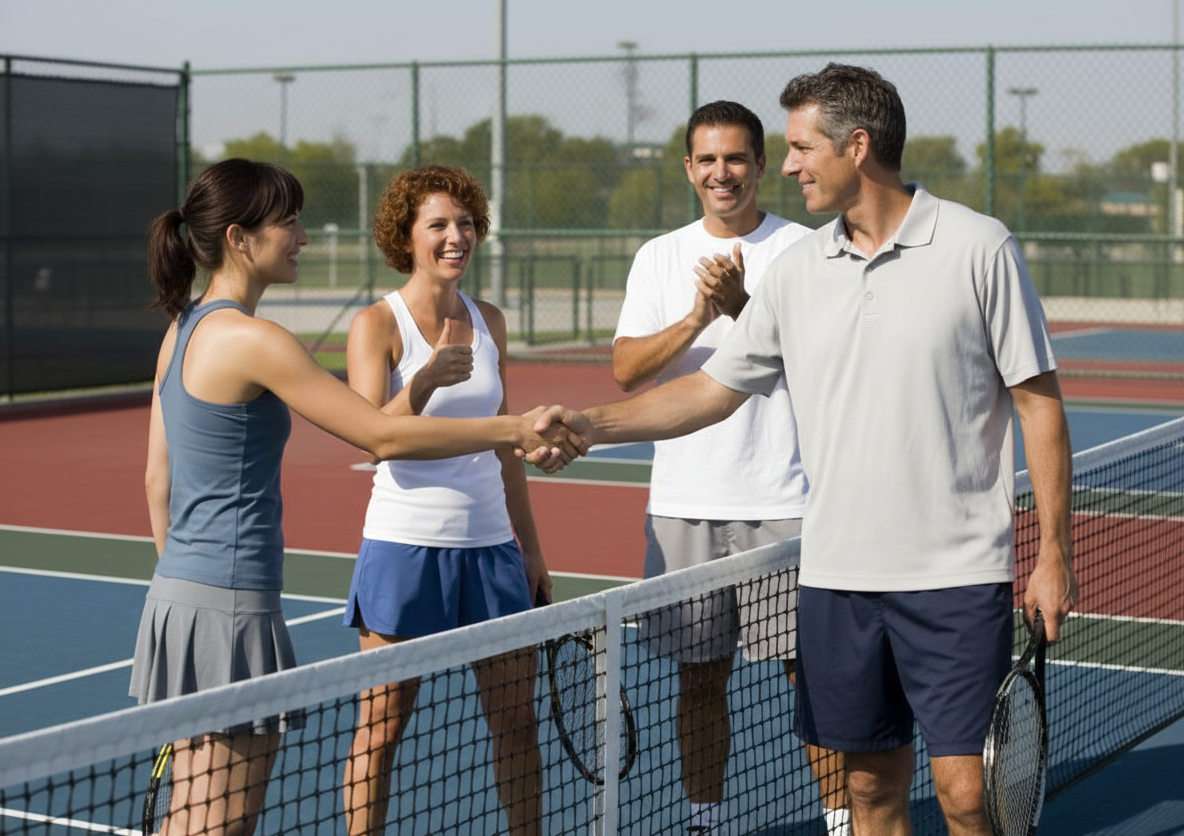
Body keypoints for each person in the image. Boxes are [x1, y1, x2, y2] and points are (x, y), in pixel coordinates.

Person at [535, 63, 1078, 836]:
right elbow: (708, 392)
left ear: (856, 147)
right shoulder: (795, 272)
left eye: (798, 148)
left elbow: (1039, 405)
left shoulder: (978, 247)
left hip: (956, 578)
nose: (784, 167)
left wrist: (1053, 551)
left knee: (964, 794)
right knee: (867, 790)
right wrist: (589, 424)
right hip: (834, 580)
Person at [132, 158, 577, 836]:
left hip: (180, 600)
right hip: (228, 603)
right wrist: (512, 427)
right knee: (221, 822)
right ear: (238, 238)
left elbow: (155, 480)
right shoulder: (257, 340)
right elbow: (378, 434)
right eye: (288, 221)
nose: (303, 236)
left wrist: (186, 590)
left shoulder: (180, 329)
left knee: (196, 815)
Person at [612, 100, 848, 836]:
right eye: (707, 160)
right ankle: (704, 822)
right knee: (699, 681)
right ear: (689, 169)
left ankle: (842, 822)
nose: (723, 173)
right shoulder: (657, 256)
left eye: (736, 158)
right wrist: (697, 315)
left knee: (813, 681)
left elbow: (826, 368)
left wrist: (742, 304)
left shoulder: (808, 251)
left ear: (759, 163)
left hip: (786, 504)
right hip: (684, 507)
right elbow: (625, 371)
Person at [340, 165, 549, 836]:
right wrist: (425, 380)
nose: (455, 236)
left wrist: (532, 549)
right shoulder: (377, 324)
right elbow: (377, 440)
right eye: (437, 225)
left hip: (492, 552)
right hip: (404, 548)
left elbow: (505, 444)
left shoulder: (490, 321)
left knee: (518, 724)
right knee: (381, 727)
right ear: (406, 236)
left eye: (464, 224)